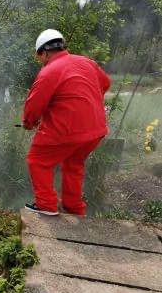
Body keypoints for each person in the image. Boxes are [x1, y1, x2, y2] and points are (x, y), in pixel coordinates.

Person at [22, 29, 111, 216]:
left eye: (40, 57)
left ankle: (46, 205)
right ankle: (74, 208)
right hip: (95, 130)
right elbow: (105, 83)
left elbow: (34, 105)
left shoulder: (49, 71)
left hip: (68, 129)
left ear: (44, 52)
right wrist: (87, 103)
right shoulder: (87, 62)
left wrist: (29, 123)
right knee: (74, 163)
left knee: (37, 160)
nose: (41, 61)